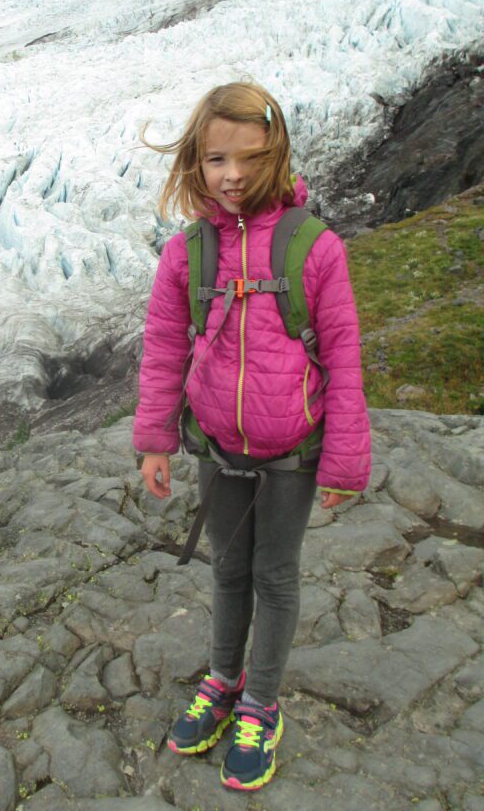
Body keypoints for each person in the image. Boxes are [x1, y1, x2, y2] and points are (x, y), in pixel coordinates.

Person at [133, 81, 371, 792]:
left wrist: (345, 462)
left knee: (275, 575)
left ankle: (261, 705)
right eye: (214, 160)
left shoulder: (313, 247)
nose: (231, 174)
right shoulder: (188, 253)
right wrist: (155, 439)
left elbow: (344, 355)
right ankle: (222, 681)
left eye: (247, 157)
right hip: (218, 445)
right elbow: (164, 344)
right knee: (229, 571)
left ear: (276, 153)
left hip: (293, 451)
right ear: (195, 164)